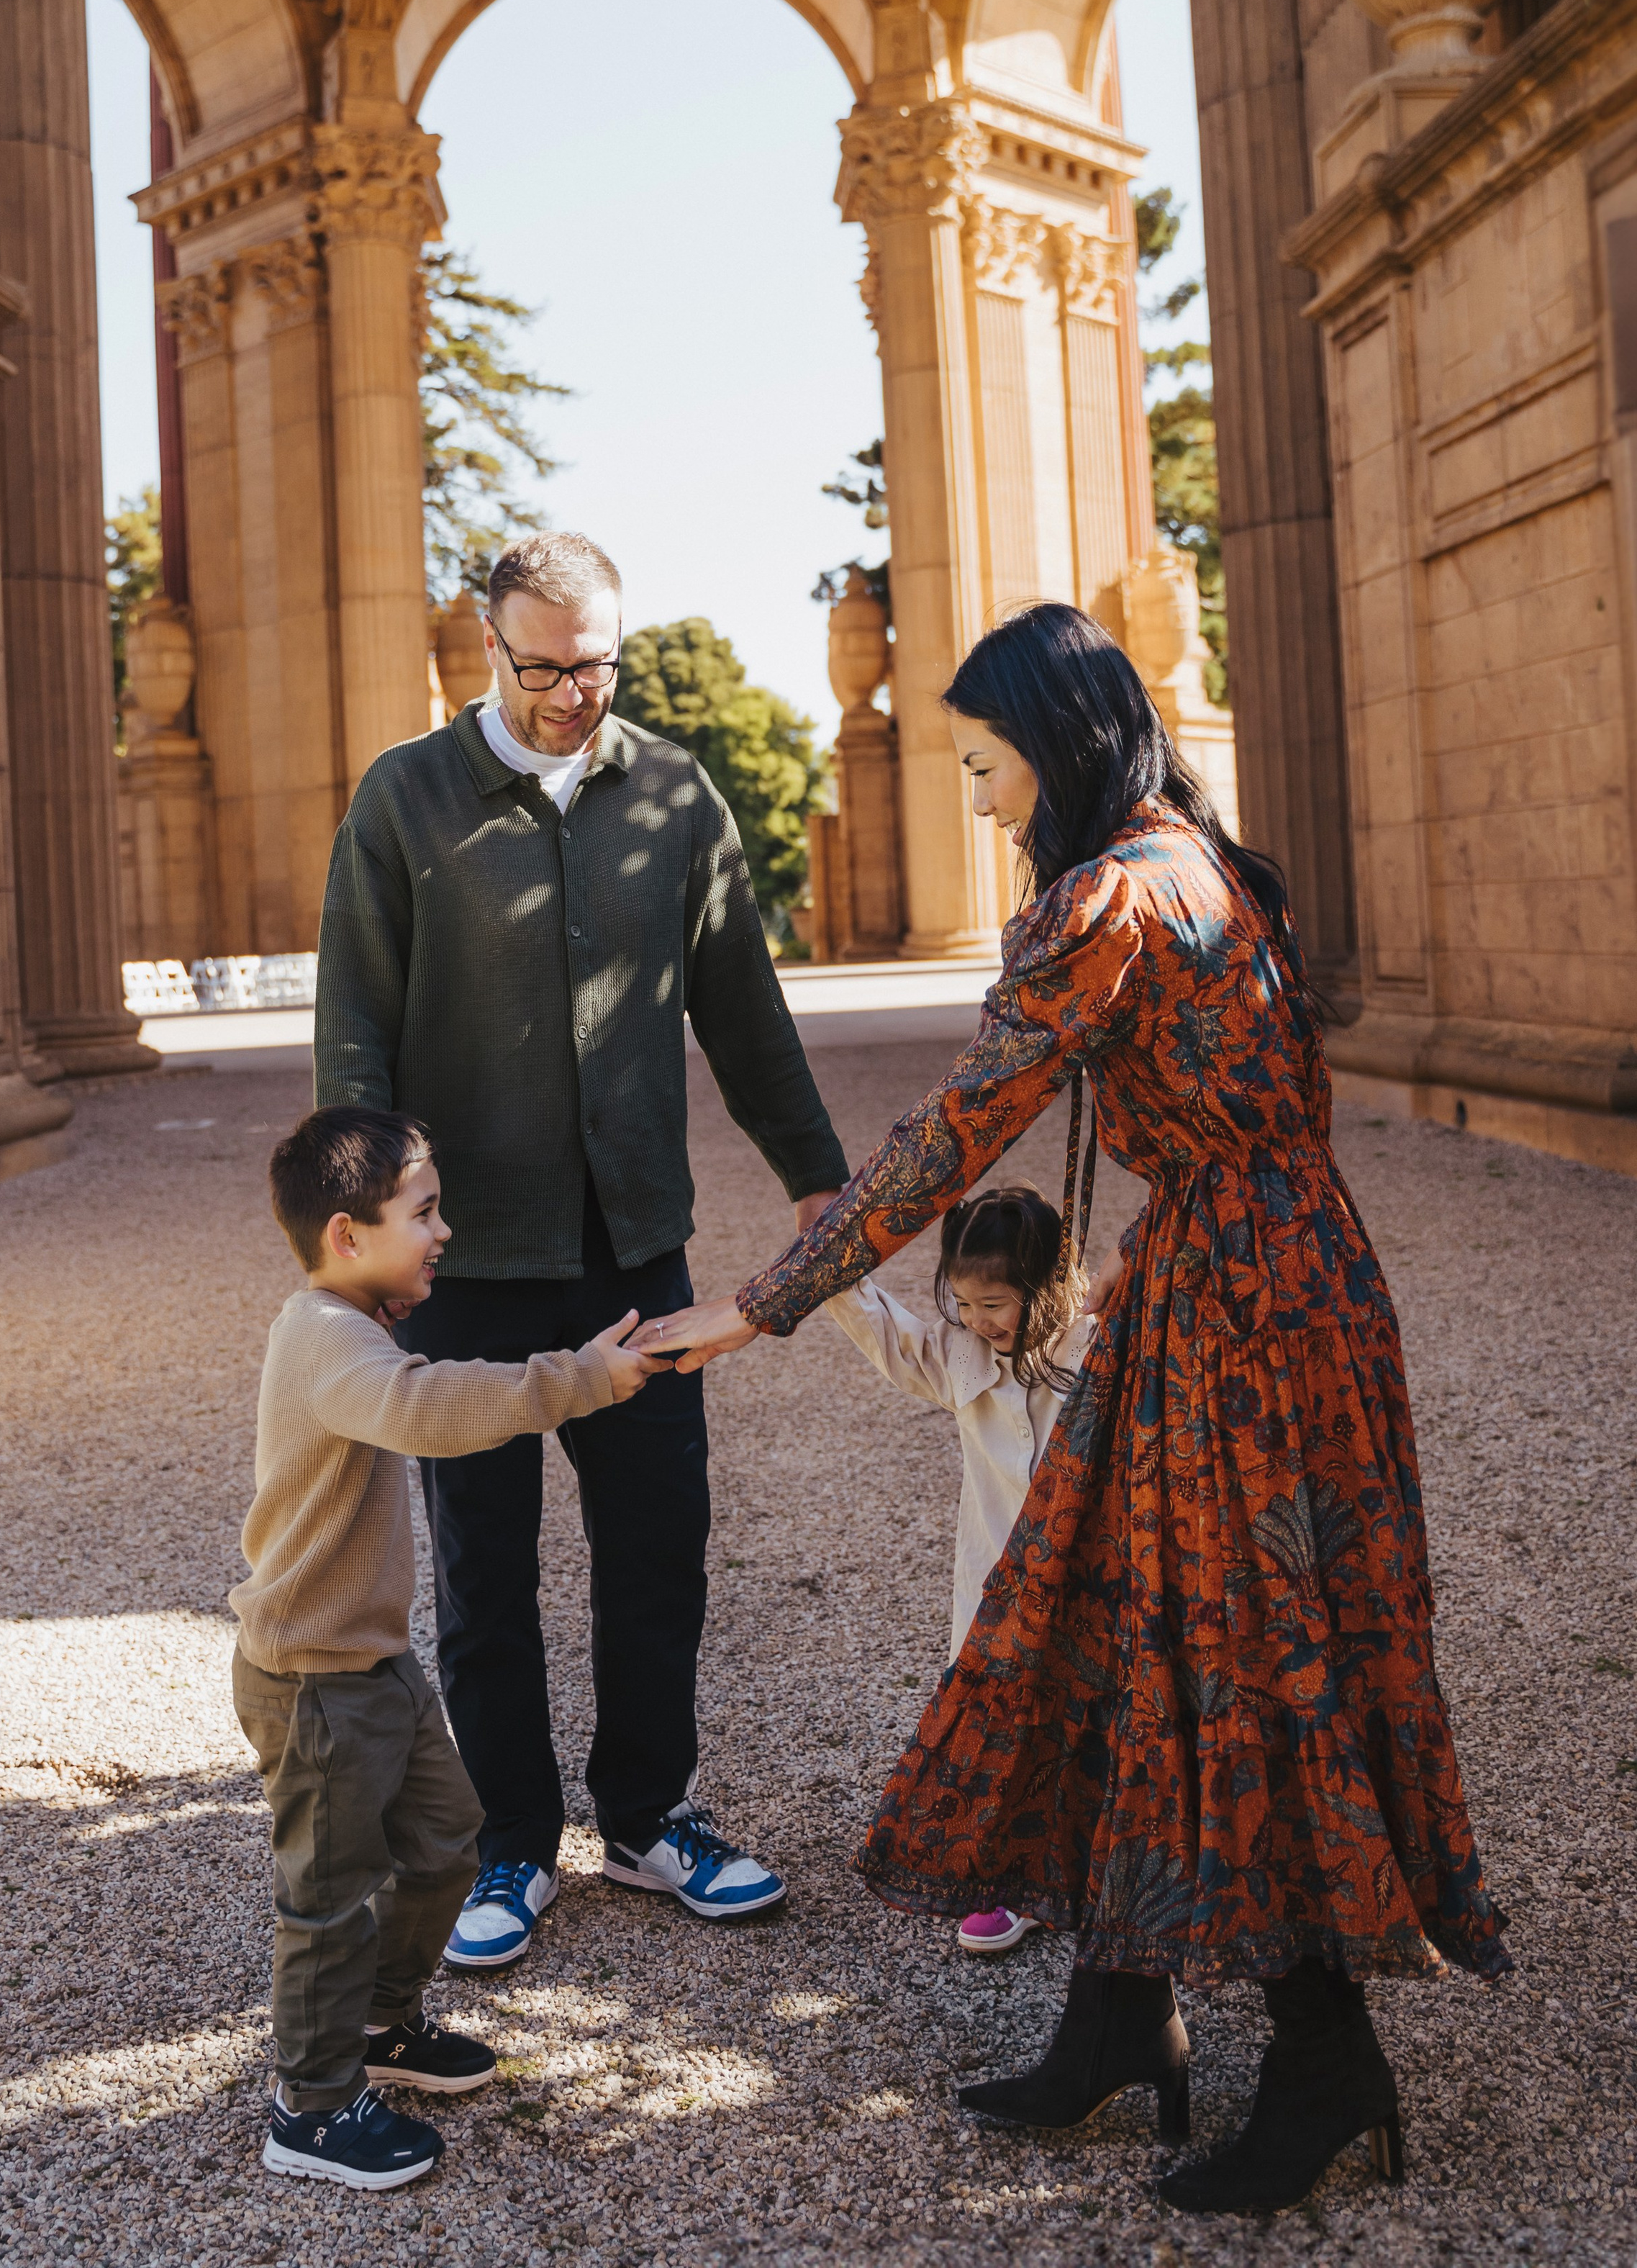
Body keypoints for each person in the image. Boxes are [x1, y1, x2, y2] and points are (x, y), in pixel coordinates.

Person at [656, 602, 1510, 2217]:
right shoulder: (1208, 864)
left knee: (1245, 1658)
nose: (978, 802)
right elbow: (1234, 1111)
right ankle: (1118, 2011)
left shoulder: (1105, 897)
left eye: (986, 769)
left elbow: (953, 1130)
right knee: (1133, 1630)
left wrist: (760, 1304)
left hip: (1231, 1319)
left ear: (1050, 752)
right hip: (1292, 1275)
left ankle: (1325, 2059)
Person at [313, 531, 846, 1972]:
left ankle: (649, 1816)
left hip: (632, 1254)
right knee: (483, 1573)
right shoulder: (404, 798)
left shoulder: (673, 793)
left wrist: (816, 1179)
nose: (571, 692)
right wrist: (362, 1226)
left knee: (657, 1544)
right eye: (542, 666)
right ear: (487, 649)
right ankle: (507, 1843)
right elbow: (352, 1023)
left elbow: (740, 1003)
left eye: (597, 661)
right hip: (461, 1264)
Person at [232, 1106, 668, 2191]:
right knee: (328, 1898)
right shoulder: (331, 1340)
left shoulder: (354, 1322)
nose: (444, 1233)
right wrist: (575, 1379)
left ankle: (379, 2029)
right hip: (313, 1681)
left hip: (373, 1662)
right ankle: (313, 2105)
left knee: (446, 1844)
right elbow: (426, 1411)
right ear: (346, 1234)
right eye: (422, 1213)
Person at [824, 1182, 1088, 1957]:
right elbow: (888, 1334)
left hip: (1090, 1588)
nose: (980, 1321)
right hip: (996, 1591)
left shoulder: (1097, 1348)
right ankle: (1011, 1880)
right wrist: (831, 1262)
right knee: (1003, 1733)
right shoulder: (962, 1355)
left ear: (1050, 1285)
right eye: (965, 1304)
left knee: (1093, 1728)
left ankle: (1098, 1870)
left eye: (997, 1303)